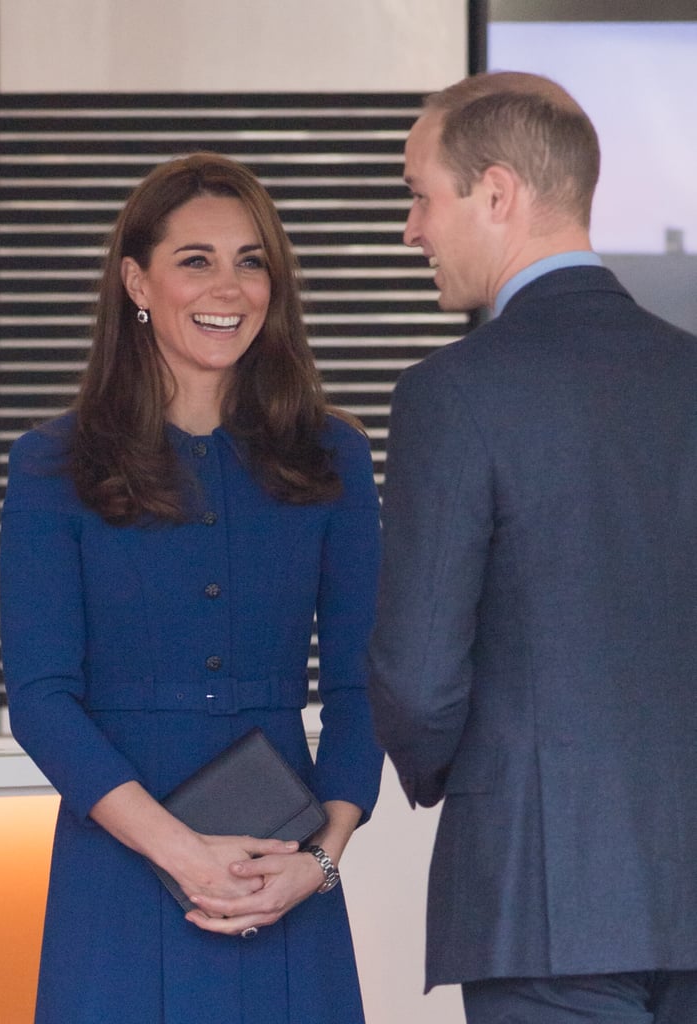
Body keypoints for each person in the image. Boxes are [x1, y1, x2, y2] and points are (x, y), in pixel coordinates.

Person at [0, 151, 383, 1024]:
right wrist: (178, 852)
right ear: (137, 279)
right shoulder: (51, 465)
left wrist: (319, 858)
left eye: (253, 261)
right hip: (121, 872)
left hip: (279, 876)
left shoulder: (333, 457)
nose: (231, 287)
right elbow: (42, 699)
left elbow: (365, 685)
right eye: (196, 260)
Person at [368, 71, 697, 1024]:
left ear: (498, 192)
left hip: (542, 901)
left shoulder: (453, 394)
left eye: (421, 196)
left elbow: (418, 674)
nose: (412, 230)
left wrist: (453, 775)